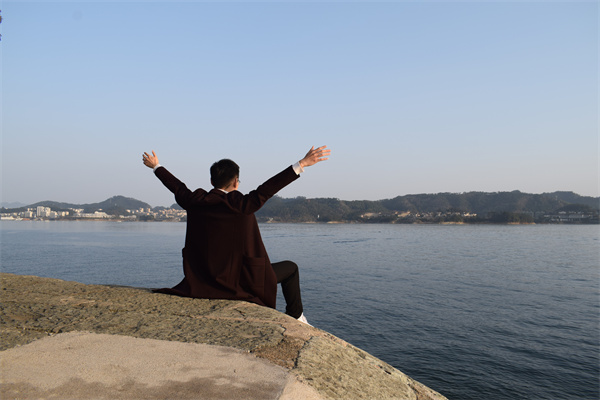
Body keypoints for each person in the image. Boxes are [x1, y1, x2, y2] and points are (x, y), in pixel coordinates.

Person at [142, 146, 330, 324]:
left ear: (212, 182)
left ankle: (296, 317)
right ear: (235, 182)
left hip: (203, 281)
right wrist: (301, 164)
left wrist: (156, 166)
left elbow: (177, 187)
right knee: (291, 268)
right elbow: (267, 189)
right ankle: (296, 318)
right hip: (239, 283)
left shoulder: (195, 201)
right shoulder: (240, 204)